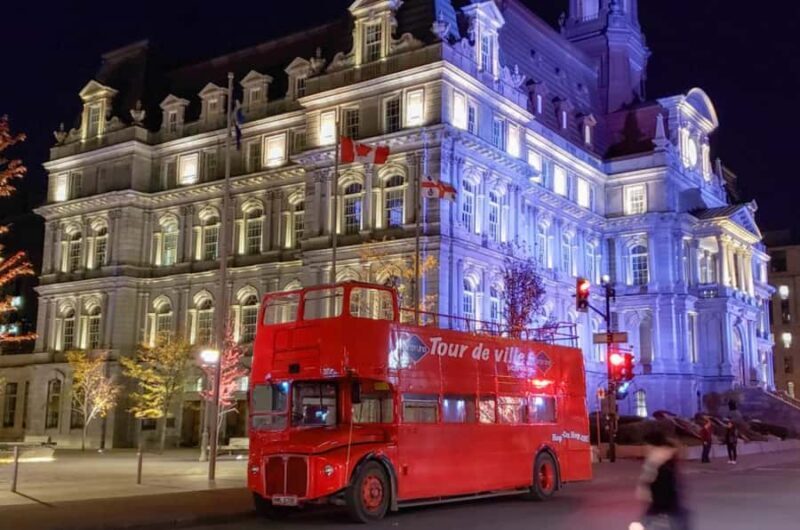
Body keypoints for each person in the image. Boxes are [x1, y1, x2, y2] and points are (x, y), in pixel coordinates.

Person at [633, 428, 691, 530]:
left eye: (647, 445)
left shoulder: (657, 460)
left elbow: (660, 483)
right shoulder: (664, 456)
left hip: (663, 500)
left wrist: (646, 489)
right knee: (678, 520)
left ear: (652, 445)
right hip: (667, 500)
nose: (645, 448)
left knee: (647, 521)